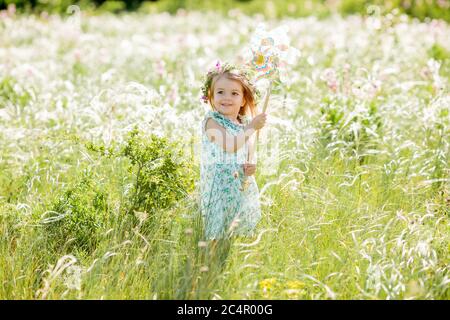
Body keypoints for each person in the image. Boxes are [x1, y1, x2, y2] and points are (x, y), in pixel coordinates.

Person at [199, 62, 267, 246]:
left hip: (239, 182)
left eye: (234, 93)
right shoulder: (211, 121)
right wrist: (252, 127)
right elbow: (230, 146)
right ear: (211, 96)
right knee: (217, 229)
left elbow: (248, 147)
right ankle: (211, 262)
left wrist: (250, 163)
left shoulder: (242, 122)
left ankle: (233, 258)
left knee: (238, 227)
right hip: (219, 185)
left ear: (244, 99)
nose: (226, 98)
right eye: (220, 92)